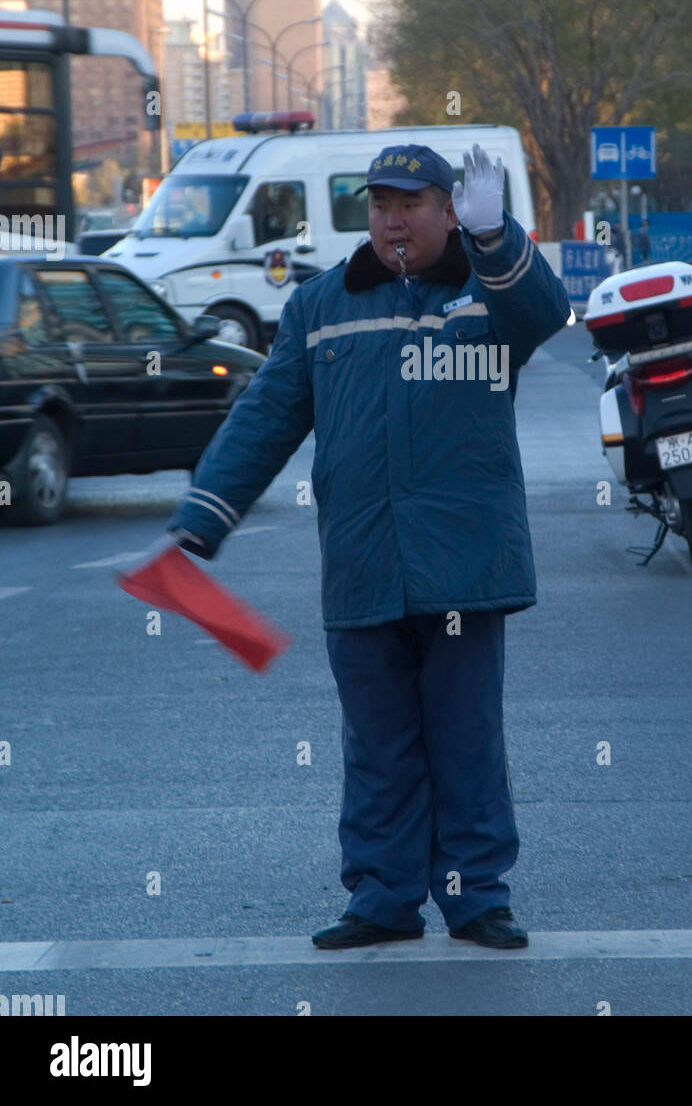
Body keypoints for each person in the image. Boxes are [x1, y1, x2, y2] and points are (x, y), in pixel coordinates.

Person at [158, 143, 571, 950]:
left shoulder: (490, 295)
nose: (392, 217)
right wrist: (202, 513)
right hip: (363, 560)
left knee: (467, 739)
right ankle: (382, 899)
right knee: (376, 745)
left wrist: (498, 240)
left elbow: (545, 314)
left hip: (466, 562)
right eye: (380, 202)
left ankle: (477, 895)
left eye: (412, 202)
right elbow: (268, 413)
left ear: (448, 211)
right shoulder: (320, 305)